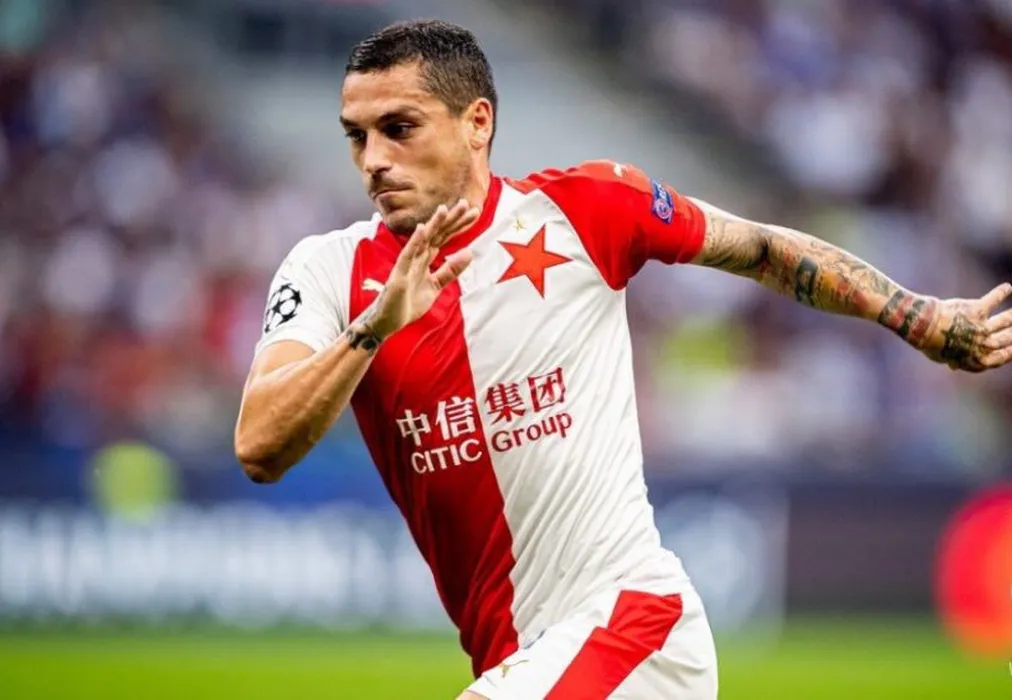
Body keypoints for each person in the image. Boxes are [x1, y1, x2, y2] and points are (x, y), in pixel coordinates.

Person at [234, 19, 1012, 700]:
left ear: (477, 123)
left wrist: (915, 315)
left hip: (635, 628)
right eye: (356, 136)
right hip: (522, 659)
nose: (373, 159)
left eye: (398, 127)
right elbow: (259, 446)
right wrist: (373, 328)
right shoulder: (327, 271)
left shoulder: (584, 210)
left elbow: (764, 249)